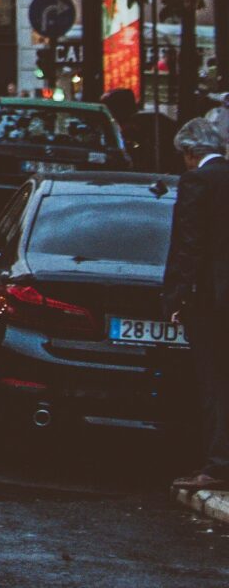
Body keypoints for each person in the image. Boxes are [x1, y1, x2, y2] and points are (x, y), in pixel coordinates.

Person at [163, 112, 229, 492]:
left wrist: (175, 296)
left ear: (189, 153)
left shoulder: (197, 181)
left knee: (213, 381)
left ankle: (218, 463)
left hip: (211, 300)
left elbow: (187, 245)